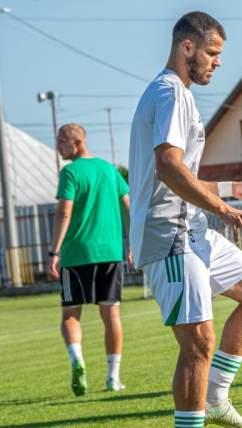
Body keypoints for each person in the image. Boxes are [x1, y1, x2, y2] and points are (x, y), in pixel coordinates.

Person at [129, 11, 242, 428]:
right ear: (187, 47)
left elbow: (182, 176)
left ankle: (215, 399)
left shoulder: (180, 95)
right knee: (198, 343)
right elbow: (168, 168)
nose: (218, 61)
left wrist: (233, 189)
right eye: (212, 52)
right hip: (169, 234)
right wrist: (224, 209)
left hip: (191, 229)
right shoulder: (170, 93)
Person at [48, 123, 132, 396]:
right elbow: (128, 207)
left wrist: (54, 252)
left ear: (78, 143)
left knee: (71, 315)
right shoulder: (110, 170)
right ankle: (113, 378)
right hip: (110, 253)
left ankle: (78, 360)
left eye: (62, 141)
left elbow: (64, 213)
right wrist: (132, 243)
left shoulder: (70, 172)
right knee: (111, 315)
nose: (58, 146)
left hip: (77, 254)